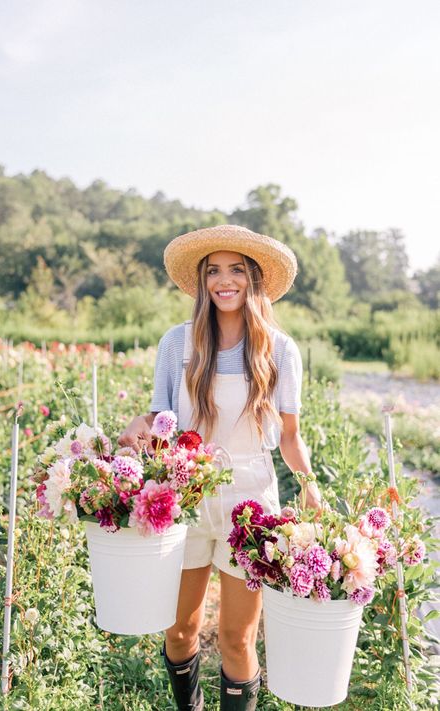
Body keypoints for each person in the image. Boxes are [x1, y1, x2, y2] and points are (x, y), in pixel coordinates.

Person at [118, 224, 322, 710]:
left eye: (236, 270)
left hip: (250, 505)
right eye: (214, 270)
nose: (223, 281)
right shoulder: (178, 343)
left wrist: (310, 489)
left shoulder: (278, 349)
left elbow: (289, 436)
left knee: (236, 638)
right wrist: (136, 422)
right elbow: (158, 416)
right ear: (202, 281)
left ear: (255, 279)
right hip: (184, 498)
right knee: (180, 629)